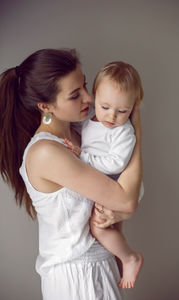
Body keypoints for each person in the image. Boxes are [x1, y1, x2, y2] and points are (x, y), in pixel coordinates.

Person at [0, 49, 143, 300]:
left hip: (100, 265)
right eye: (75, 95)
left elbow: (124, 205)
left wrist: (122, 214)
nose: (89, 97)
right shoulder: (46, 152)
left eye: (85, 85)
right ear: (45, 106)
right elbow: (127, 200)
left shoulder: (82, 134)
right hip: (75, 276)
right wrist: (137, 126)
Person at [65, 61, 144, 289]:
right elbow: (85, 132)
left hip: (117, 184)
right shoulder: (90, 117)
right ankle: (120, 261)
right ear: (95, 96)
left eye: (122, 111)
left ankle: (130, 257)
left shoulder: (124, 132)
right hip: (103, 184)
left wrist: (82, 157)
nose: (112, 116)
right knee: (104, 226)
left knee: (98, 226)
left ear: (133, 108)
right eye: (105, 106)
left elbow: (115, 163)